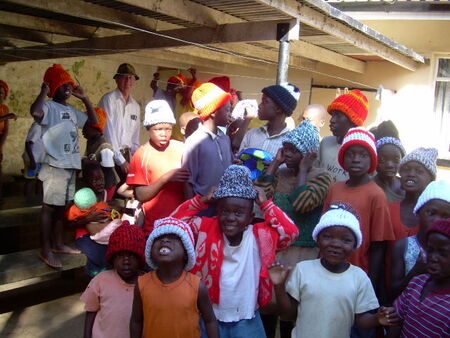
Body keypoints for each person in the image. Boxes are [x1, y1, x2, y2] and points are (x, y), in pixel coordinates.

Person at [170, 165, 299, 337]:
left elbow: (291, 232)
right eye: (224, 211)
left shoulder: (259, 236)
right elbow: (172, 226)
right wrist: (200, 201)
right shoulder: (204, 228)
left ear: (250, 217)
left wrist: (266, 204)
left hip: (247, 319)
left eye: (239, 213)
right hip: (208, 318)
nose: (230, 218)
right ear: (217, 211)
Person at [269, 204, 399, 338]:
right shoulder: (303, 270)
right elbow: (288, 314)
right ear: (317, 239)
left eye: (346, 240)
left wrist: (377, 319)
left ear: (355, 246)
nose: (336, 244)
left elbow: (361, 321)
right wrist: (279, 286)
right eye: (328, 237)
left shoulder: (359, 277)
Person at [255, 119, 332, 338]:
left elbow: (302, 202)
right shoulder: (281, 175)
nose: (286, 154)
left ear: (308, 154)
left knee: (295, 307)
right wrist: (274, 164)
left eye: (293, 150)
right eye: (285, 149)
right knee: (269, 304)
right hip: (277, 251)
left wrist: (304, 170)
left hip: (304, 255)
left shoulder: (322, 177)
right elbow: (259, 196)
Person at [30, 64, 97, 268]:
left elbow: (93, 122)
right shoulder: (49, 107)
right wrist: (44, 91)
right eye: (62, 85)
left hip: (69, 166)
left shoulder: (71, 110)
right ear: (52, 88)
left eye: (69, 85)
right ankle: (46, 249)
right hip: (54, 166)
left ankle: (58, 244)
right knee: (49, 208)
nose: (68, 89)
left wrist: (85, 98)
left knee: (61, 209)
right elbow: (35, 111)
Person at [323, 127, 395, 300]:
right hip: (328, 269)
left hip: (357, 274)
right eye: (350, 154)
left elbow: (379, 246)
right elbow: (323, 230)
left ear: (372, 160)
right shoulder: (335, 189)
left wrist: (370, 284)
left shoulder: (376, 195)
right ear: (342, 158)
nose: (356, 159)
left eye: (363, 155)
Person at [130, 217, 219, 338]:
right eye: (159, 238)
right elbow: (136, 321)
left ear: (186, 253)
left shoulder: (197, 286)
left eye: (173, 238)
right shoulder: (142, 284)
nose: (165, 240)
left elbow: (210, 321)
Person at [127, 100, 188, 237]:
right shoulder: (141, 155)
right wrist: (165, 179)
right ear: (148, 129)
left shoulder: (181, 148)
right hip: (154, 227)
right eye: (158, 129)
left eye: (168, 129)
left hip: (182, 224)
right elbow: (140, 195)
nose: (164, 134)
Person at [81, 222, 145, 338]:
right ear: (112, 258)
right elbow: (91, 311)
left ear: (140, 258)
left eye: (132, 255)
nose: (126, 261)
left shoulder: (147, 284)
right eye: (120, 255)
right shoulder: (101, 280)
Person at [388, 218, 450, 338]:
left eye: (443, 253)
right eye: (430, 250)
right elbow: (396, 321)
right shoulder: (417, 283)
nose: (433, 257)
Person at [391, 180, 450, 299]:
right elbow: (393, 292)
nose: (437, 220)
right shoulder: (403, 246)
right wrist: (416, 271)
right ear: (418, 212)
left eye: (445, 216)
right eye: (431, 213)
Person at [182, 82, 233, 208]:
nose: (230, 114)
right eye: (227, 109)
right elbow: (187, 181)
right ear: (213, 112)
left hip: (224, 205)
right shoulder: (194, 142)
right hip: (203, 207)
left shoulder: (225, 138)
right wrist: (191, 209)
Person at [67, 161, 111, 276]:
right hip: (84, 236)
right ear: (87, 181)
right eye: (95, 180)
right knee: (99, 254)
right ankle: (97, 279)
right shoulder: (82, 198)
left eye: (101, 179)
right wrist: (88, 219)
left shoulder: (105, 194)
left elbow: (110, 210)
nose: (100, 183)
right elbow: (70, 224)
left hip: (103, 232)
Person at [98, 63, 141, 180]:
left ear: (134, 81)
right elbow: (108, 132)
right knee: (110, 192)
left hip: (126, 157)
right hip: (109, 155)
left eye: (130, 77)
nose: (128, 81)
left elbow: (135, 138)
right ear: (116, 79)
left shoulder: (135, 106)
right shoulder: (109, 99)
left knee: (128, 192)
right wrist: (120, 160)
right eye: (124, 77)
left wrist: (137, 159)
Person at [318, 90, 369, 182]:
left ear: (353, 121)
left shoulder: (364, 152)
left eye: (338, 116)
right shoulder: (325, 143)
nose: (332, 120)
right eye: (332, 115)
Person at [238, 83, 300, 157]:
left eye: (265, 102)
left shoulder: (291, 142)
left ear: (278, 109)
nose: (259, 106)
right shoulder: (251, 134)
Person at [390, 147, 438, 240]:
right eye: (406, 169)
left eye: (419, 171)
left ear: (430, 179)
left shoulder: (435, 214)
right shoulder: (388, 209)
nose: (411, 174)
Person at [82, 107, 119, 200]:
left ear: (96, 129)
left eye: (85, 128)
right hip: (98, 182)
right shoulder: (90, 142)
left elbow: (107, 167)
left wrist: (88, 162)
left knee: (103, 204)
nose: (82, 131)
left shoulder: (104, 146)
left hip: (108, 183)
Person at [151, 68, 199, 141]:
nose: (170, 89)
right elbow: (153, 86)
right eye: (169, 86)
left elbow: (188, 93)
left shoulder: (184, 98)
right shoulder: (166, 96)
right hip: (172, 135)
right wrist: (155, 79)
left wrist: (193, 79)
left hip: (187, 137)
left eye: (174, 86)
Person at [373, 120, 405, 203]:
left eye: (396, 160)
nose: (389, 165)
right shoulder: (369, 187)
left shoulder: (407, 186)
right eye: (383, 159)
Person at [0, 80, 17, 201]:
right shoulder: (6, 113)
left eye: (1, 93)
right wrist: (7, 116)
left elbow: (5, 130)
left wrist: (0, 148)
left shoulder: (4, 108)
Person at [22, 121, 44, 201]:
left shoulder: (45, 126)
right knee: (30, 181)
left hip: (40, 160)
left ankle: (37, 200)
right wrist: (32, 160)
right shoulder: (37, 126)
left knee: (40, 180)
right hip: (33, 160)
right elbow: (28, 144)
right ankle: (26, 201)